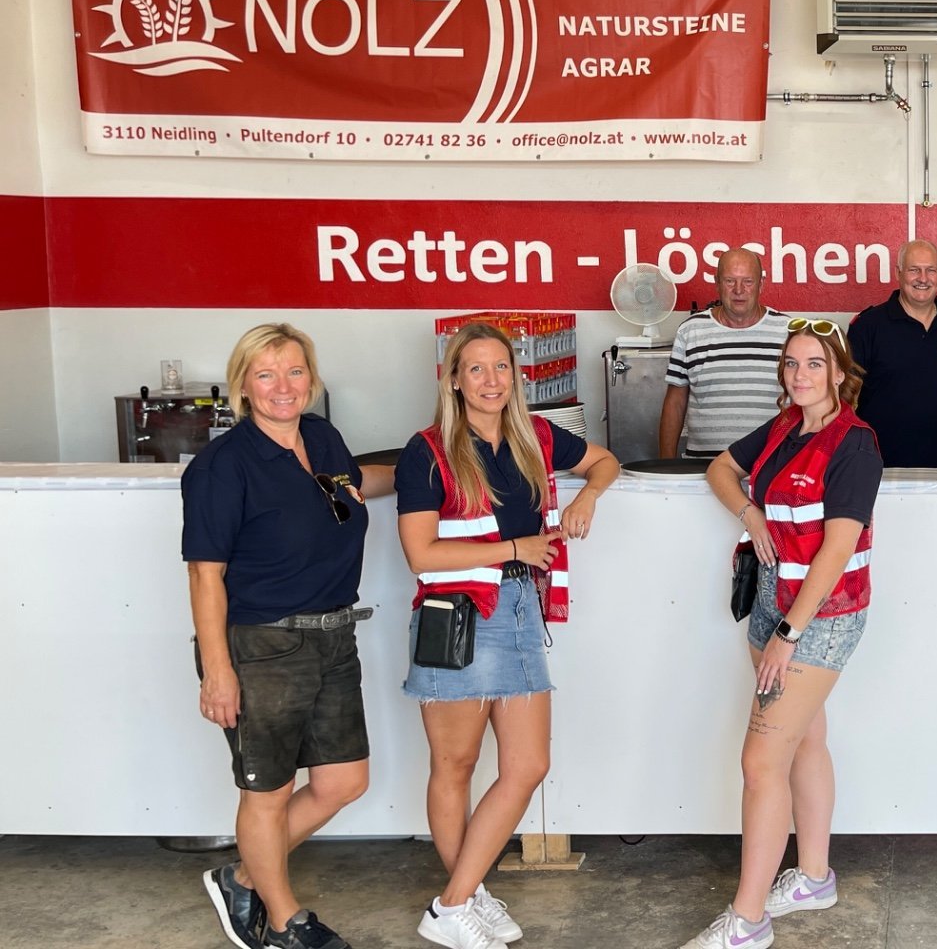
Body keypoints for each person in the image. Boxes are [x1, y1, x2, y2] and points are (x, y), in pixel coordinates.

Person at [396, 322, 620, 949]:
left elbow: (605, 461)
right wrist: (515, 547)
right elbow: (421, 554)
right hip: (458, 617)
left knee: (527, 765)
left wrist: (588, 496)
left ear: (516, 376)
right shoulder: (428, 450)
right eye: (476, 369)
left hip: (520, 610)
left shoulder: (535, 436)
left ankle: (456, 900)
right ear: (454, 380)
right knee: (456, 765)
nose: (491, 380)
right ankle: (462, 899)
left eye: (501, 367)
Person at [183, 323, 395, 949]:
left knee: (343, 782)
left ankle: (243, 876)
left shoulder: (321, 437)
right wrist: (218, 671)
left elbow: (353, 484)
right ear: (243, 385)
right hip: (261, 647)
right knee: (268, 794)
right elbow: (205, 574)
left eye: (295, 371)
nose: (283, 386)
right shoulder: (222, 466)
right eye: (266, 374)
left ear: (312, 378)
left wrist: (433, 463)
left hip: (333, 636)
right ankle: (283, 922)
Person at [692, 317, 882, 949]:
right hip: (771, 600)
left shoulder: (855, 443)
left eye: (814, 364)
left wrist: (790, 633)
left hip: (818, 616)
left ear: (839, 373)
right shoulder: (783, 427)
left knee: (760, 761)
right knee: (804, 741)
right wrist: (750, 514)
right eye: (792, 363)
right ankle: (814, 878)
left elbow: (838, 548)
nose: (801, 375)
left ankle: (748, 919)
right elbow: (720, 469)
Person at [847, 240, 937, 468]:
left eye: (931, 270)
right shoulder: (867, 325)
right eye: (914, 270)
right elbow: (846, 397)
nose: (923, 278)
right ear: (898, 273)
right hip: (876, 469)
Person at [661, 249, 790, 458]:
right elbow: (675, 403)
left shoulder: (788, 331)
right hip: (703, 467)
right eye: (730, 281)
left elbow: (804, 401)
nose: (739, 290)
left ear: (761, 284)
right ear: (717, 283)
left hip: (769, 465)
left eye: (748, 281)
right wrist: (666, 465)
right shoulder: (690, 331)